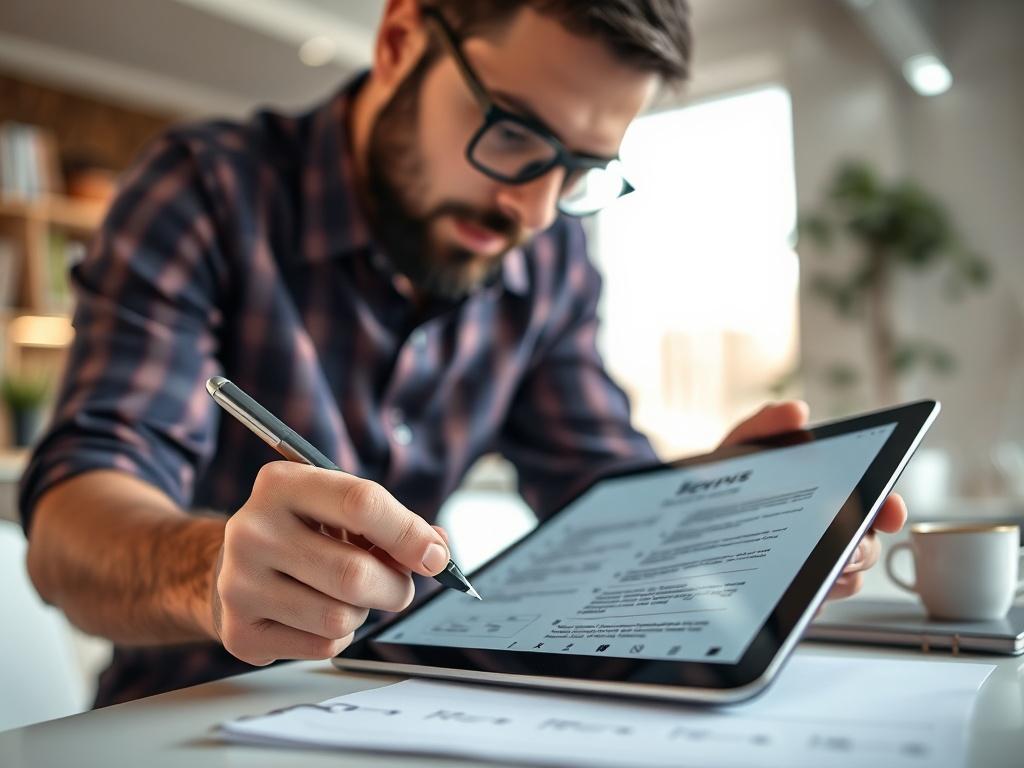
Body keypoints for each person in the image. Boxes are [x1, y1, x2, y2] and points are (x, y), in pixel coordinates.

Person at [20, 0, 907, 707]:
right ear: (402, 37)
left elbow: (596, 487)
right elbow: (68, 529)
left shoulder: (548, 259)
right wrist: (209, 570)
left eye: (582, 171)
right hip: (187, 720)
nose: (532, 210)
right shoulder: (208, 191)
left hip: (433, 706)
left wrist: (711, 518)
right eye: (516, 134)